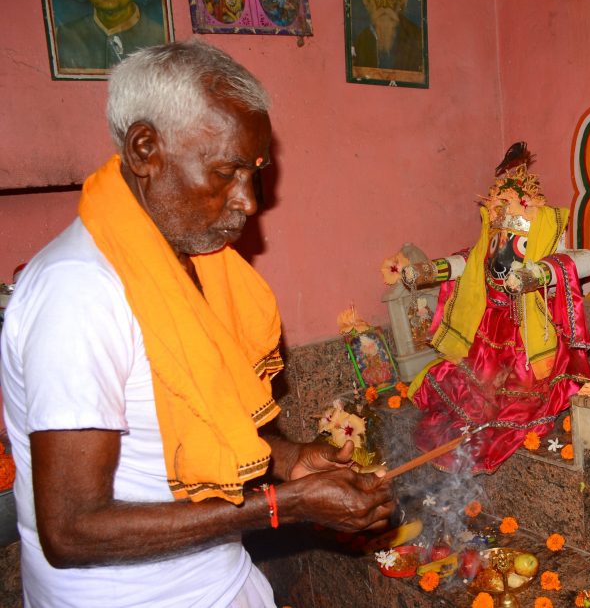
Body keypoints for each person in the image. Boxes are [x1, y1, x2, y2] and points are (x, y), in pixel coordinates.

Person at [0, 41, 395, 606]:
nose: (248, 202)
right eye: (226, 172)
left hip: (218, 577)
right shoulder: (79, 293)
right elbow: (71, 531)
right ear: (145, 149)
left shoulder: (191, 260)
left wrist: (288, 460)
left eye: (253, 173)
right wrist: (283, 506)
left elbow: (198, 422)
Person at [402, 144, 590, 473]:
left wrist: (536, 274)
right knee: (462, 388)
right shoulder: (491, 239)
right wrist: (430, 270)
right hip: (489, 329)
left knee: (517, 402)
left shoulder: (545, 232)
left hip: (528, 337)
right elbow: (473, 261)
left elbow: (581, 260)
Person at [352, 0, 424, 72]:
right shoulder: (361, 41)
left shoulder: (416, 36)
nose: (384, 5)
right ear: (370, 2)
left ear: (399, 1)